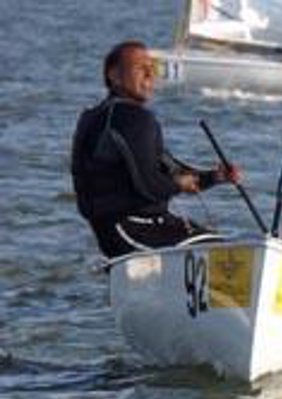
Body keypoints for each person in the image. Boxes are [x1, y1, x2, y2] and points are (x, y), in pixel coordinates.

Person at [70, 40, 243, 259]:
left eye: (153, 68)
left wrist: (215, 177)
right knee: (228, 256)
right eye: (141, 68)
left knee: (223, 248)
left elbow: (170, 170)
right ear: (114, 76)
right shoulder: (132, 118)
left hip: (124, 231)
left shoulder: (98, 115)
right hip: (134, 230)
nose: (150, 75)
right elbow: (149, 186)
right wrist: (178, 185)